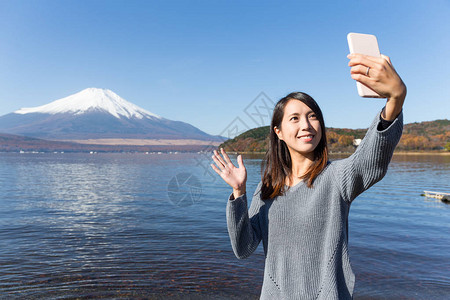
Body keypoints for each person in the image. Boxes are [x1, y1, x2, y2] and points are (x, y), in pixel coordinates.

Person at [211, 53, 406, 299]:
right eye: (294, 118)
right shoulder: (267, 189)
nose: (306, 125)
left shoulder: (337, 177)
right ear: (279, 132)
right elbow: (243, 248)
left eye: (312, 116)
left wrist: (395, 99)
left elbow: (372, 156)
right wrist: (239, 193)